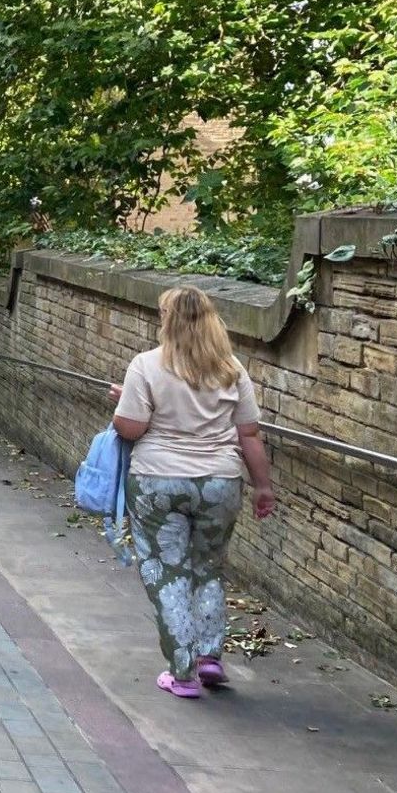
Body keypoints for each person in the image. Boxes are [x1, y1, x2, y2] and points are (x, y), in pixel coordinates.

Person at [110, 286, 278, 700]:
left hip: (157, 481)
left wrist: (123, 404)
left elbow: (130, 428)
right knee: (208, 568)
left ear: (167, 321)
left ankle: (182, 673)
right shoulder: (231, 369)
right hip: (219, 482)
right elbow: (250, 434)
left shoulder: (146, 365)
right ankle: (209, 656)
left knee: (168, 570)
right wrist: (263, 487)